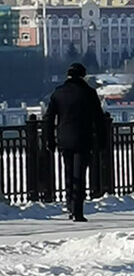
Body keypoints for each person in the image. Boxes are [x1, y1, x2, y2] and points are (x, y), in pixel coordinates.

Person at [45, 62, 106, 222]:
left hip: (64, 139)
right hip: (83, 138)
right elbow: (99, 119)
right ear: (83, 75)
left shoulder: (58, 93)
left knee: (68, 172)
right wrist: (102, 140)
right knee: (80, 173)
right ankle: (77, 210)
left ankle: (69, 205)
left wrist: (49, 139)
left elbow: (49, 118)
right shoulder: (89, 93)